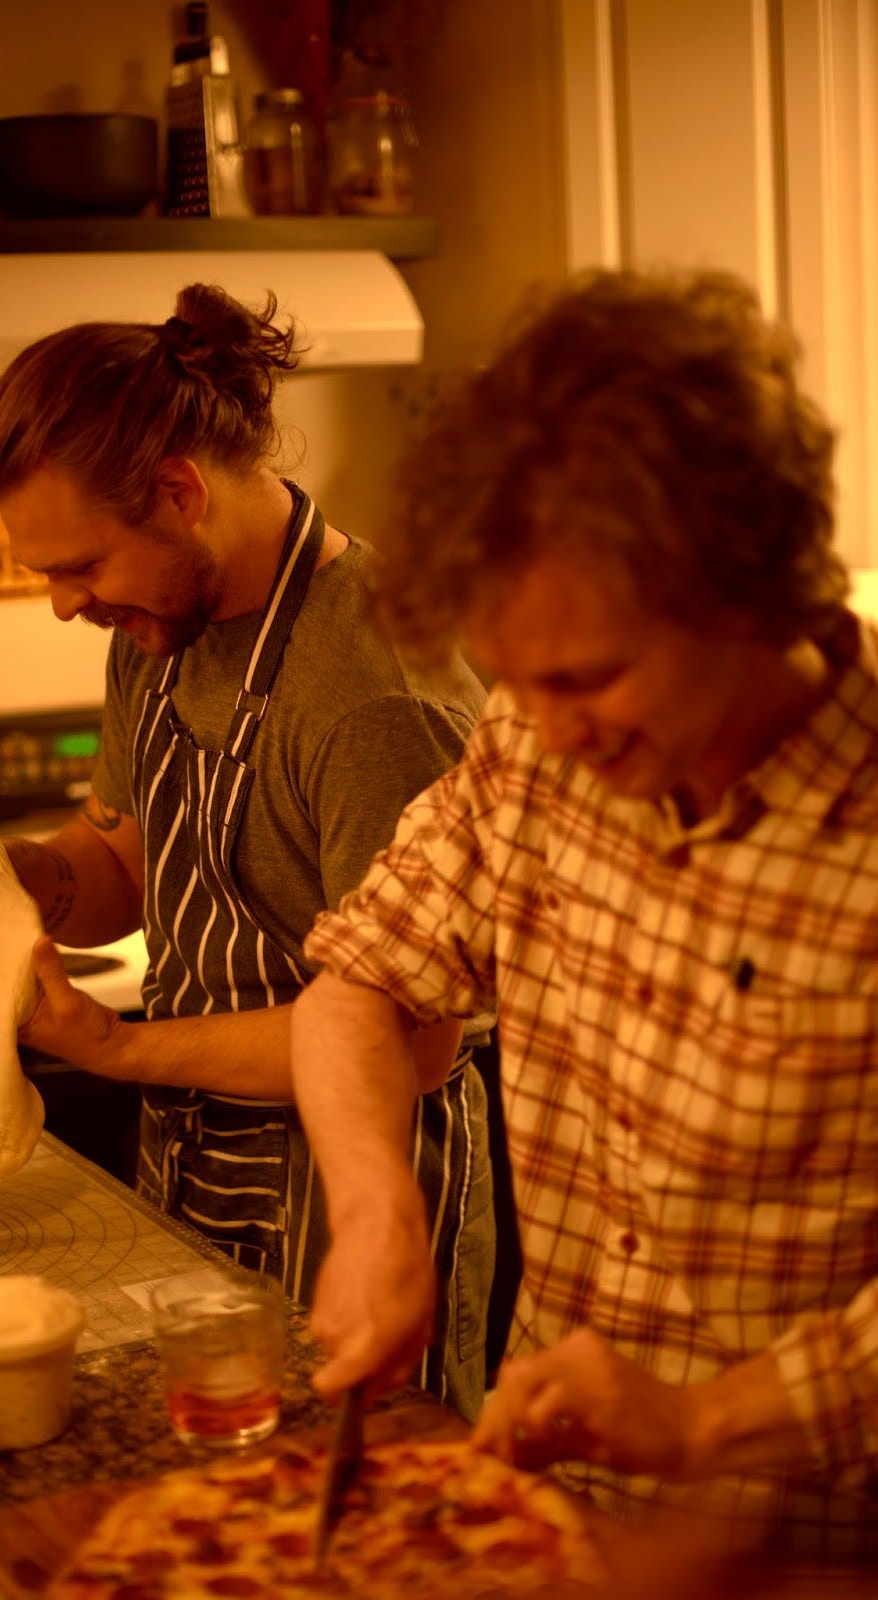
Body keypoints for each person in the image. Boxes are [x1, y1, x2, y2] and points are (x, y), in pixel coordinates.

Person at [291, 267, 878, 1558]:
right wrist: (380, 1215)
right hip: (548, 1526)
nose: (550, 729)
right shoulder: (537, 742)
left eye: (591, 677)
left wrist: (707, 1423)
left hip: (812, 1557)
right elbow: (358, 979)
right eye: (518, 681)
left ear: (749, 584)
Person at [0, 282, 494, 1418]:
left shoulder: (369, 694)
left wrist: (114, 1048)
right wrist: (16, 883)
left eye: (81, 566)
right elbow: (126, 859)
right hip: (207, 1160)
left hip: (362, 1195)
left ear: (178, 492)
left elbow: (410, 1044)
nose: (66, 606)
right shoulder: (164, 622)